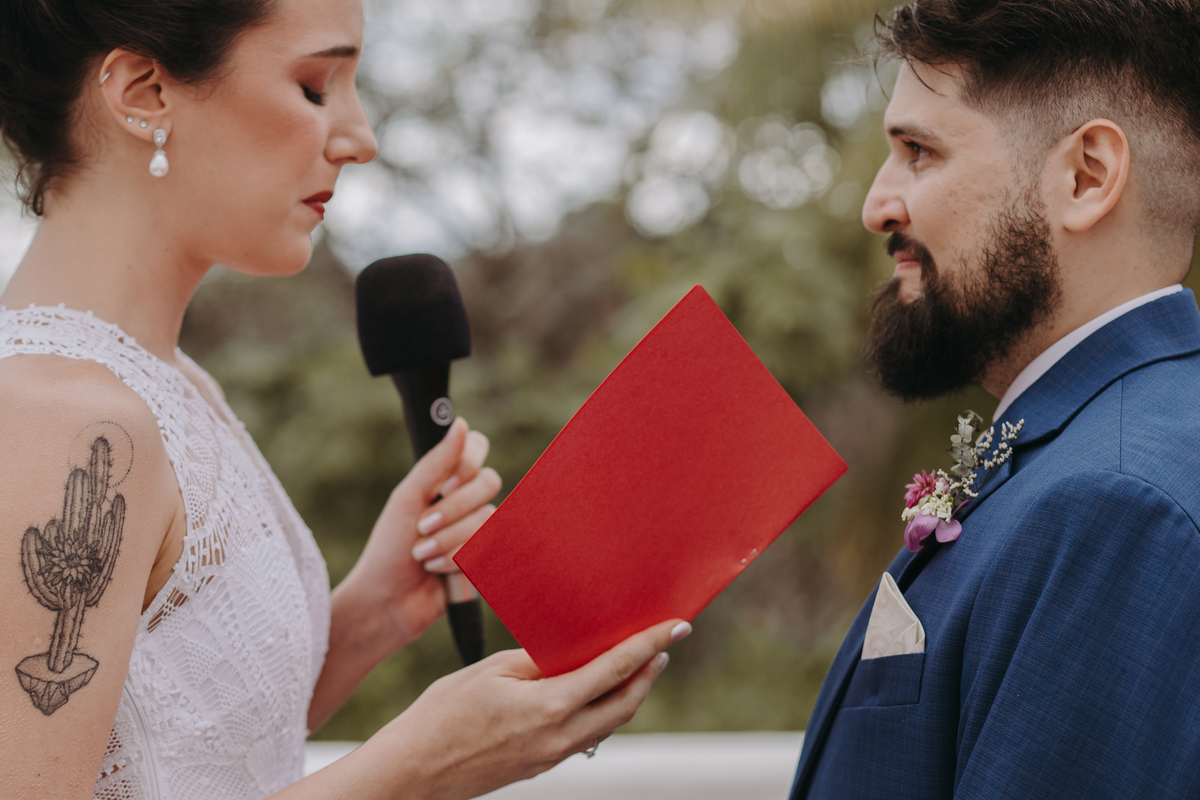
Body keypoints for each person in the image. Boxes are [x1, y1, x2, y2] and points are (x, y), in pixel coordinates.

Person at [0, 0, 691, 798]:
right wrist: (414, 771)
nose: (360, 139)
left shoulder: (174, 384)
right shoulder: (68, 423)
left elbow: (181, 749)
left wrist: (372, 615)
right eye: (315, 87)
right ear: (144, 92)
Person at [790, 1, 1200, 797]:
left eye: (919, 152)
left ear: (1086, 176)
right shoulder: (1096, 452)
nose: (877, 206)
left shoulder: (1117, 504)